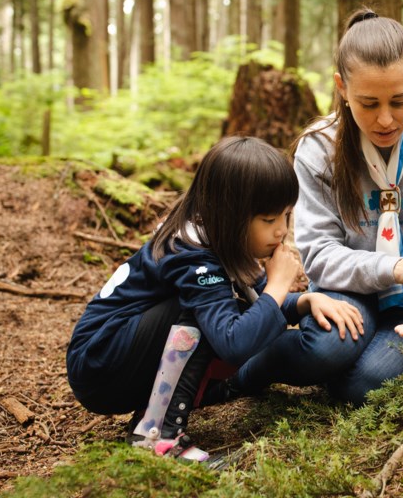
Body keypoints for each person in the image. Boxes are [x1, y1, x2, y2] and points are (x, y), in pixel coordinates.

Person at [227, 9, 403, 406]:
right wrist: (392, 268)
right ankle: (245, 374)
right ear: (341, 87)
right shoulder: (319, 148)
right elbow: (318, 254)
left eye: (399, 101)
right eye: (368, 103)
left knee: (361, 386)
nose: (385, 119)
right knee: (326, 348)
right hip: (351, 293)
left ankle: (347, 367)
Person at [66, 137, 363, 461]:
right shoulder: (191, 254)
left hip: (122, 356)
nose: (280, 231)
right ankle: (157, 435)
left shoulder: (219, 238)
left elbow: (254, 297)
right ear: (230, 215)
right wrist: (277, 287)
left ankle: (178, 403)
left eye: (285, 217)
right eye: (268, 220)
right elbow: (233, 341)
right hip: (101, 363)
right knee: (210, 318)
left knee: (226, 311)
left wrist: (304, 302)